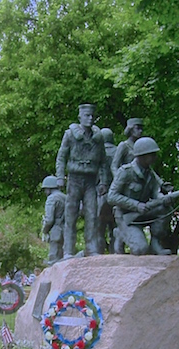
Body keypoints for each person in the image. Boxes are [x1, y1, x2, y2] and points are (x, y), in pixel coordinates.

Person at [56, 103, 108, 258]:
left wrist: (104, 182)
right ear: (80, 117)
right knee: (70, 215)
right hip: (74, 180)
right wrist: (60, 177)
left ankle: (91, 249)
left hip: (91, 181)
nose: (90, 118)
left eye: (92, 116)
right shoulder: (70, 135)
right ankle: (68, 251)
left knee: (92, 215)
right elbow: (61, 157)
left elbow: (103, 162)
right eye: (87, 115)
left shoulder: (98, 139)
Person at [107, 137, 173, 256]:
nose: (154, 157)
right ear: (142, 156)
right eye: (151, 154)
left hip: (144, 212)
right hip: (126, 216)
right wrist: (136, 205)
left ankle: (155, 243)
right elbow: (111, 196)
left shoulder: (150, 174)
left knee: (164, 209)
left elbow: (155, 193)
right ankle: (120, 233)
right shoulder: (125, 172)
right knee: (140, 250)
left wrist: (163, 198)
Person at [98, 128, 117, 254]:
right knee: (115, 228)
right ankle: (115, 252)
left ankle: (97, 254)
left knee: (98, 229)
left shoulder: (97, 152)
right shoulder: (119, 151)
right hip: (118, 195)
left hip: (100, 194)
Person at [41, 175, 66, 265]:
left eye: (45, 189)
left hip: (56, 229)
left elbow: (49, 219)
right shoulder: (65, 197)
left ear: (49, 188)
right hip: (67, 230)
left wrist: (45, 230)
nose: (45, 192)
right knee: (64, 257)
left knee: (54, 259)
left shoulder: (51, 198)